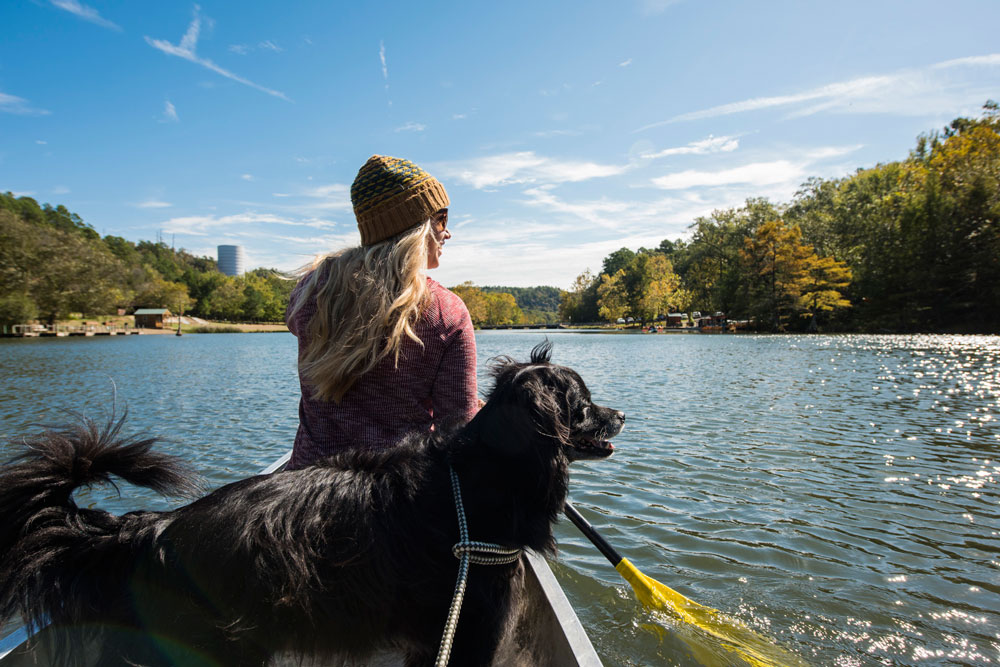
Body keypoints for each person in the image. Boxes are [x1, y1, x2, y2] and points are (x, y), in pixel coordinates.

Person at [285, 155, 479, 470]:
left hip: (305, 489)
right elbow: (456, 432)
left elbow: (297, 322)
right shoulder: (447, 311)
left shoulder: (312, 290)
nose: (448, 232)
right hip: (394, 498)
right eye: (441, 218)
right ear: (416, 226)